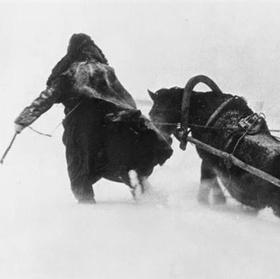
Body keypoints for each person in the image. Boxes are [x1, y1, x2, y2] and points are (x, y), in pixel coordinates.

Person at [14, 33, 172, 203]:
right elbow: (127, 99)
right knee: (127, 159)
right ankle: (143, 190)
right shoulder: (106, 70)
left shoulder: (70, 70)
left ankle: (86, 208)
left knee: (78, 167)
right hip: (119, 118)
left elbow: (48, 96)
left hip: (85, 123)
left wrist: (23, 120)